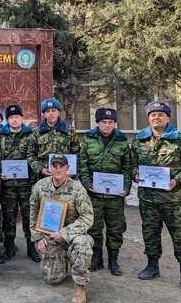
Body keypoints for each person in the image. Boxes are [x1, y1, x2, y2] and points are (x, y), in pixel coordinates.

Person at [133, 101, 181, 290]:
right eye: (153, 114)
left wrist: (177, 180)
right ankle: (152, 265)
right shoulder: (140, 139)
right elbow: (131, 163)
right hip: (148, 198)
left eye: (161, 114)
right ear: (148, 118)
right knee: (150, 233)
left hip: (174, 200)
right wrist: (134, 174)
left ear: (168, 117)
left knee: (180, 235)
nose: (157, 117)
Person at [30, 154, 94, 303]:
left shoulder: (77, 189)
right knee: (52, 279)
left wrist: (64, 233)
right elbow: (33, 212)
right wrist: (37, 237)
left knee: (83, 245)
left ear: (67, 168)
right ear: (50, 167)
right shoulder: (40, 186)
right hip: (49, 235)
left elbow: (87, 217)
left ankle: (80, 286)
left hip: (72, 235)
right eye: (54, 166)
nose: (58, 169)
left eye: (61, 166)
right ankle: (66, 259)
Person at [79, 107, 132, 276]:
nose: (107, 125)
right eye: (104, 122)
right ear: (98, 123)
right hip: (94, 193)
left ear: (114, 123)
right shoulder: (88, 140)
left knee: (115, 228)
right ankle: (97, 258)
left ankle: (113, 260)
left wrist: (126, 188)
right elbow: (83, 165)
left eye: (110, 122)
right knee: (94, 227)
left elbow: (127, 167)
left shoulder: (122, 141)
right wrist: (87, 184)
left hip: (115, 195)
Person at [0, 104, 40, 263]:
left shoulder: (31, 136)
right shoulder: (0, 137)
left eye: (17, 117)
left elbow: (34, 157)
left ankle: (31, 248)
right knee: (9, 217)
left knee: (29, 217)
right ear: (7, 120)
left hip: (26, 185)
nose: (14, 120)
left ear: (22, 118)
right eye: (11, 117)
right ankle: (9, 248)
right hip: (8, 185)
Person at [27, 97, 80, 182]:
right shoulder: (36, 133)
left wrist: (72, 171)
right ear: (43, 114)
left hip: (65, 176)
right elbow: (30, 155)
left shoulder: (70, 131)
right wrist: (40, 169)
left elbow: (77, 153)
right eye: (47, 111)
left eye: (53, 110)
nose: (50, 114)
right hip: (43, 177)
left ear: (59, 112)